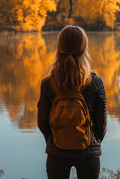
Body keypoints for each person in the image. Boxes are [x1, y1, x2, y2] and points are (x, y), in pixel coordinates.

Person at [37, 25, 108, 179]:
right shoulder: (95, 83)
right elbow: (101, 124)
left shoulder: (48, 84)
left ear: (59, 48)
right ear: (84, 49)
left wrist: (55, 140)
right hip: (88, 154)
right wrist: (90, 141)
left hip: (57, 154)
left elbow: (42, 122)